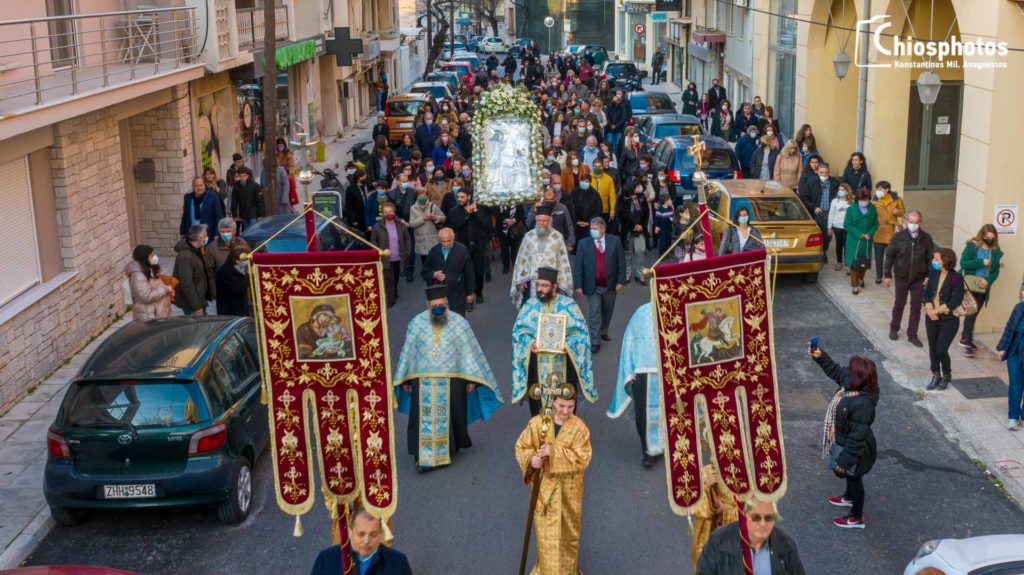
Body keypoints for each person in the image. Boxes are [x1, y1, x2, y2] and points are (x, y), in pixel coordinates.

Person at [394, 285, 503, 471]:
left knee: (453, 413)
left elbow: (469, 353)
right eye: (433, 305)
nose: (437, 308)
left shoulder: (460, 323)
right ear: (427, 305)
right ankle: (422, 457)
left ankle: (449, 448)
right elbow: (407, 354)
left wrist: (471, 380)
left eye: (441, 305)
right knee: (422, 417)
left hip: (453, 380)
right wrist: (405, 380)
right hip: (422, 381)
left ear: (447, 303)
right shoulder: (417, 323)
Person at [514, 392, 592, 575]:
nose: (565, 411)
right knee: (546, 538)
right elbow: (521, 446)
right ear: (553, 402)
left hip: (569, 494)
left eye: (570, 407)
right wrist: (531, 460)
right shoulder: (537, 423)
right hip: (544, 492)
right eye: (561, 406)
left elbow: (584, 458)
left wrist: (554, 452)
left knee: (568, 537)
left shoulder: (580, 428)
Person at [810, 347, 879, 529]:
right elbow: (835, 370)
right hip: (844, 440)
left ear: (857, 377)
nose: (846, 371)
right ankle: (848, 497)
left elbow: (857, 440)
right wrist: (821, 356)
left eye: (851, 369)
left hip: (856, 449)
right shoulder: (852, 383)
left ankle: (856, 517)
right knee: (850, 477)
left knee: (854, 478)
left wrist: (844, 461)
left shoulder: (863, 405)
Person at [511, 266, 596, 415]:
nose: (540, 289)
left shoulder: (569, 305)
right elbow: (520, 333)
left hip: (564, 365)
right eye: (537, 285)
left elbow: (581, 334)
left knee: (564, 411)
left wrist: (568, 345)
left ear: (554, 286)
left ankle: (565, 437)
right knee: (538, 411)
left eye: (545, 285)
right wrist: (530, 344)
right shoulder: (530, 305)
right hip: (537, 367)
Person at [608, 302, 666, 467]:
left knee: (668, 411)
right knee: (643, 413)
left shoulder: (676, 308)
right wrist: (629, 370)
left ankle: (663, 444)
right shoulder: (641, 312)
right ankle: (647, 449)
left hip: (670, 370)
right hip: (643, 371)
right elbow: (630, 340)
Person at [696, 498, 805, 574]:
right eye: (756, 517)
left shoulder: (786, 545)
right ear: (745, 516)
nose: (763, 524)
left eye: (768, 518)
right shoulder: (717, 542)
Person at [573, 218, 625, 353]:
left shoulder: (615, 241)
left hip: (610, 285)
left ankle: (603, 330)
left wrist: (620, 281)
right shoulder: (583, 243)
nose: (592, 231)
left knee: (607, 311)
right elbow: (578, 266)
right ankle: (595, 341)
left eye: (595, 228)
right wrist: (578, 284)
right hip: (592, 286)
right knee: (595, 313)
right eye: (591, 228)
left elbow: (621, 263)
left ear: (603, 229)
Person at [309, 507, 412, 575]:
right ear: (350, 532)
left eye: (373, 534)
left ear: (381, 534)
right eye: (361, 534)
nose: (367, 541)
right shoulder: (326, 560)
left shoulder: (398, 563)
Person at [883, 210, 934, 347]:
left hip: (919, 278)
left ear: (920, 223)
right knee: (899, 304)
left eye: (916, 222)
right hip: (901, 276)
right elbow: (890, 257)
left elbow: (930, 259)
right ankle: (894, 328)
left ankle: (912, 334)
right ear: (906, 221)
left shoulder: (926, 239)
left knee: (916, 307)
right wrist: (887, 275)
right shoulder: (898, 237)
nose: (913, 225)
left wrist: (929, 276)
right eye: (910, 222)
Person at [510, 206, 574, 308]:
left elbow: (563, 261)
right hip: (532, 281)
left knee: (550, 310)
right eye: (539, 220)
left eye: (544, 220)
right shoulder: (528, 236)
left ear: (550, 221)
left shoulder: (557, 237)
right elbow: (522, 259)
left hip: (551, 283)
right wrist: (521, 279)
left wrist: (562, 281)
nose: (541, 223)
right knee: (532, 311)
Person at [959, 224, 1004, 355]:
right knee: (970, 312)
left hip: (983, 286)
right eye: (987, 237)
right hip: (970, 284)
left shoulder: (995, 251)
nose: (989, 239)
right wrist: (980, 262)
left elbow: (996, 271)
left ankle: (965, 338)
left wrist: (988, 281)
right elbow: (964, 263)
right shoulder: (972, 247)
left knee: (974, 312)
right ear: (982, 236)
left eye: (992, 237)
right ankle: (966, 340)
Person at [924, 248, 965, 390]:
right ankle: (936, 374)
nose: (933, 261)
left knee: (941, 349)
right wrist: (929, 309)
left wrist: (937, 311)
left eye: (936, 259)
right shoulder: (933, 273)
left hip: (949, 320)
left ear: (945, 261)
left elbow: (956, 300)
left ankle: (947, 374)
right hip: (931, 318)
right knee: (932, 349)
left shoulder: (956, 277)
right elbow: (927, 294)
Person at [447, 190, 491, 307]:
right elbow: (457, 224)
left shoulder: (478, 208)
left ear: (469, 197)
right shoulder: (454, 211)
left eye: (462, 197)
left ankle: (479, 293)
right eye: (458, 197)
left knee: (479, 271)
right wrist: (467, 212)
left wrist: (475, 211)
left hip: (477, 246)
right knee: (465, 272)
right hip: (463, 247)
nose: (460, 199)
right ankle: (468, 297)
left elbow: (486, 224)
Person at [421, 228, 475, 316]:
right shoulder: (434, 251)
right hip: (439, 294)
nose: (446, 244)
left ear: (453, 238)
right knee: (441, 322)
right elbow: (425, 272)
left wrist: (470, 293)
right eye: (443, 241)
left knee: (458, 319)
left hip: (458, 292)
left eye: (449, 241)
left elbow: (469, 272)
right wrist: (434, 275)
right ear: (439, 240)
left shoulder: (462, 250)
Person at [370, 203, 409, 308]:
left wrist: (407, 251)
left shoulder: (401, 225)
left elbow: (407, 239)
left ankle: (394, 292)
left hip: (399, 256)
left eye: (390, 212)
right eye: (386, 212)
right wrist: (378, 250)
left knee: (396, 277)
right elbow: (373, 239)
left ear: (394, 212)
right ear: (383, 214)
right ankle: (391, 299)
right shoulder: (378, 226)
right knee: (389, 279)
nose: (389, 214)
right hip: (386, 258)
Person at [996, 285, 1024, 430]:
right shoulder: (1019, 308)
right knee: (1015, 386)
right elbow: (1009, 328)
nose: (1023, 293)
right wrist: (1002, 347)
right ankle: (1013, 417)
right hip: (1014, 352)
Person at [204, 217, 250, 301]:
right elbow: (209, 272)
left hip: (241, 289)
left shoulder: (242, 244)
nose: (225, 234)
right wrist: (213, 292)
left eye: (228, 231)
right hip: (223, 291)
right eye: (222, 232)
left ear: (234, 231)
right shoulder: (212, 248)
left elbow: (249, 264)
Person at [800, 162, 839, 262]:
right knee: (816, 235)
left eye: (826, 173)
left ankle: (823, 251)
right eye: (822, 173)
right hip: (817, 213)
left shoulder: (834, 182)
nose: (824, 175)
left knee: (828, 235)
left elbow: (838, 195)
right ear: (817, 172)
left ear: (829, 172)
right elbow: (804, 196)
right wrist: (814, 207)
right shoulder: (811, 182)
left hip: (829, 213)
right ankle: (817, 253)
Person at [844, 188, 878, 295]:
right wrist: (859, 234)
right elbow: (847, 225)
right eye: (862, 199)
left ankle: (860, 279)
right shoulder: (851, 209)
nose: (865, 201)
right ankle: (854, 285)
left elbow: (876, 223)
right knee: (854, 263)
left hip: (867, 241)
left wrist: (870, 233)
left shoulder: (872, 208)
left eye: (866, 199)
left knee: (864, 262)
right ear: (857, 199)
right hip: (854, 241)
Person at [124, 244, 173, 320]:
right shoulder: (138, 275)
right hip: (149, 317)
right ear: (144, 257)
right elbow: (146, 296)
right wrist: (166, 289)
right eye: (152, 255)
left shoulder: (149, 269)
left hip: (159, 314)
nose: (155, 257)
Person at [172, 224, 211, 316]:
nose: (207, 237)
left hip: (197, 300)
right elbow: (187, 284)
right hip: (191, 304)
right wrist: (197, 307)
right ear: (200, 237)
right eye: (206, 235)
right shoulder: (185, 256)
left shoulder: (196, 250)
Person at [870, 181, 905, 284]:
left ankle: (887, 274)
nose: (878, 191)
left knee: (889, 256)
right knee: (878, 257)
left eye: (880, 189)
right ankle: (878, 276)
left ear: (887, 189)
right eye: (877, 189)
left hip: (891, 231)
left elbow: (902, 212)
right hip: (878, 231)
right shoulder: (875, 200)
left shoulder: (897, 200)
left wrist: (897, 212)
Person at [617, 179, 650, 285]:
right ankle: (627, 274)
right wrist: (632, 225)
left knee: (641, 251)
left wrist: (642, 225)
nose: (639, 187)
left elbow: (646, 214)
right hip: (628, 231)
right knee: (628, 253)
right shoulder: (622, 199)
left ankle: (640, 275)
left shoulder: (641, 197)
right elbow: (621, 216)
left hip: (640, 230)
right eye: (637, 186)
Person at [180, 176, 224, 242]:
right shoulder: (188, 197)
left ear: (204, 185)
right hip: (192, 235)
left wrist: (217, 233)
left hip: (208, 235)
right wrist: (182, 232)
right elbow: (185, 216)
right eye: (196, 186)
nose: (199, 188)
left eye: (201, 185)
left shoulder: (213, 197)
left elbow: (219, 217)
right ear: (193, 187)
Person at [408, 188, 445, 264]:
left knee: (436, 263)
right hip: (421, 241)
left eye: (424, 195)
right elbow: (411, 224)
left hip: (433, 239)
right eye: (420, 196)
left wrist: (435, 217)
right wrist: (422, 219)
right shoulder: (413, 208)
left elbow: (443, 218)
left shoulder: (433, 206)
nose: (422, 197)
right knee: (425, 264)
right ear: (416, 197)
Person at [215, 245, 250, 316]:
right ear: (237, 260)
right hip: (230, 310)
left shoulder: (240, 267)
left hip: (240, 307)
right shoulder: (226, 271)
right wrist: (248, 275)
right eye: (244, 259)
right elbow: (237, 289)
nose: (246, 261)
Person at [828, 184, 852, 272]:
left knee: (847, 245)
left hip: (848, 227)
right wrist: (829, 227)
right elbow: (831, 214)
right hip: (837, 226)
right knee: (839, 245)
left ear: (847, 192)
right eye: (839, 189)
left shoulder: (851, 202)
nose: (840, 191)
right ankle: (839, 262)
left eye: (842, 190)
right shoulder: (835, 201)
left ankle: (848, 264)